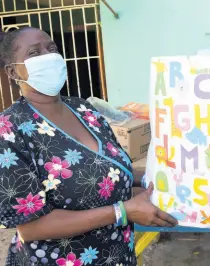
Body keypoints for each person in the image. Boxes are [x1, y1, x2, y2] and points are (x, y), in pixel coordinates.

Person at [0, 27, 177, 266]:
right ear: (12, 71)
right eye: (34, 53)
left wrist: (160, 177)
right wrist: (122, 211)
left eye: (51, 48)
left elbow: (114, 169)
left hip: (117, 255)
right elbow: (31, 227)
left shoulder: (84, 110)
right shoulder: (10, 130)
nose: (49, 56)